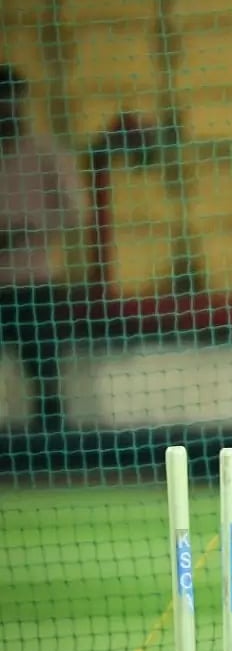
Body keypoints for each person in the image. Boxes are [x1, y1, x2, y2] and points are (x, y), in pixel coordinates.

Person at [0, 63, 85, 432]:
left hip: (34, 283)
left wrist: (25, 231)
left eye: (10, 99)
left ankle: (53, 453)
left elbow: (76, 212)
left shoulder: (47, 153)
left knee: (44, 372)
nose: (6, 108)